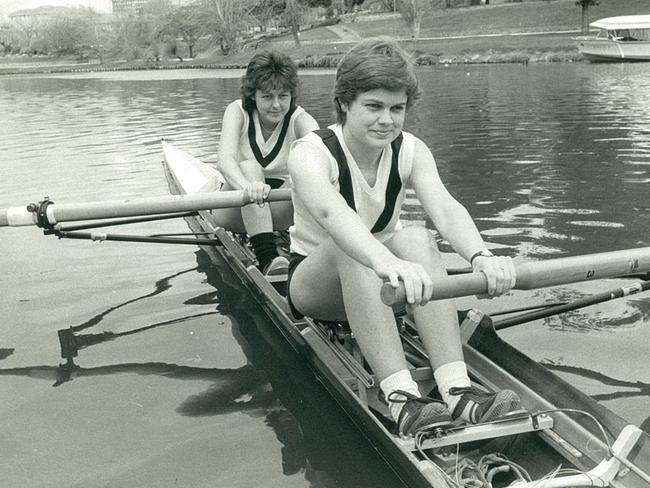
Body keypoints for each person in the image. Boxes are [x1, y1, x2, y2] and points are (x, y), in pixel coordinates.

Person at [286, 38, 521, 437]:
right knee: (354, 249)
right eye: (373, 107)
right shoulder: (310, 152)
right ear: (344, 103)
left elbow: (445, 208)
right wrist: (385, 262)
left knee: (417, 236)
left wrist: (481, 256)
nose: (387, 120)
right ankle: (400, 398)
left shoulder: (411, 149)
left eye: (397, 109)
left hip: (386, 283)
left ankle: (457, 390)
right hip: (316, 285)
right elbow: (333, 214)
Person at [217, 50, 319, 275]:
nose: (276, 105)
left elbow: (327, 155)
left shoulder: (301, 120)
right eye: (267, 97)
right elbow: (225, 161)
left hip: (279, 210)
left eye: (283, 96)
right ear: (253, 94)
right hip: (235, 207)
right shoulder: (237, 112)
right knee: (249, 166)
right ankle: (268, 259)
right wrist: (249, 189)